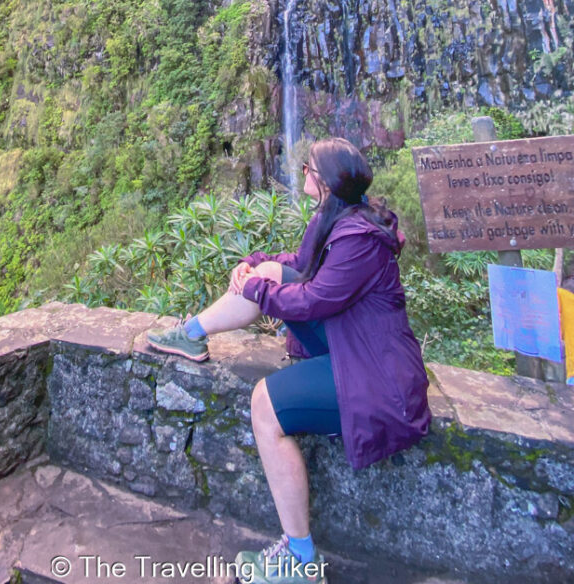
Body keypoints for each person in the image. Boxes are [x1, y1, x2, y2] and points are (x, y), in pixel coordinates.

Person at [147, 137, 431, 584]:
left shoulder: (359, 239)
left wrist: (254, 290)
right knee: (268, 274)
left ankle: (300, 559)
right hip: (350, 345)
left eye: (308, 168)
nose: (302, 174)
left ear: (324, 181)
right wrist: (255, 265)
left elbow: (314, 300)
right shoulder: (336, 218)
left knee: (265, 404)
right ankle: (191, 335)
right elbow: (302, 266)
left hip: (376, 375)